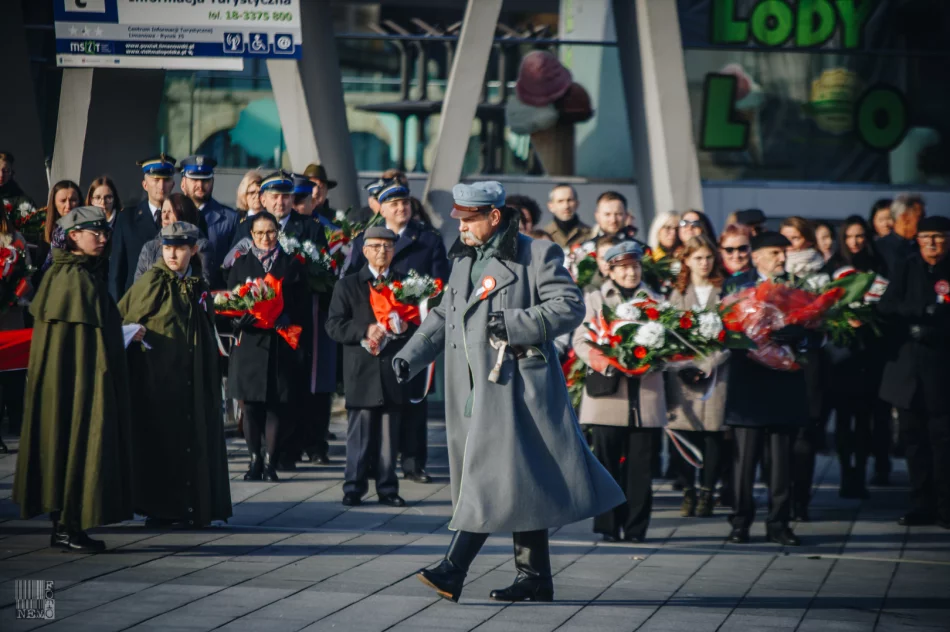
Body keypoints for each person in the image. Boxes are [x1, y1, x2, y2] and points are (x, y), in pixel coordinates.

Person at [393, 181, 623, 603]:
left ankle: (452, 569)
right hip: (473, 392)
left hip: (518, 391)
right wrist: (411, 355)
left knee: (489, 478)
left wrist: (515, 323)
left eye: (468, 219)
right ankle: (534, 577)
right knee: (522, 483)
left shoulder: (537, 253)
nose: (459, 227)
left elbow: (569, 306)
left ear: (494, 217)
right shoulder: (464, 259)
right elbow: (445, 313)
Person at [13, 206, 133, 552]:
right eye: (93, 232)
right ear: (73, 237)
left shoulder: (84, 273)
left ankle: (67, 524)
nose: (102, 237)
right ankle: (67, 526)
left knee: (72, 445)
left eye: (104, 231)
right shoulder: (71, 278)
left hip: (82, 383)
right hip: (74, 386)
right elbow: (76, 348)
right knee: (71, 443)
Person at [119, 222, 232, 528]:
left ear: (193, 250)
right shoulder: (153, 281)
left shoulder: (197, 284)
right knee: (163, 442)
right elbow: (123, 317)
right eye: (167, 248)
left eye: (180, 248)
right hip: (160, 380)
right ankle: (162, 509)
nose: (172, 254)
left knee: (195, 439)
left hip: (193, 378)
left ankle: (196, 504)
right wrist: (133, 331)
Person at [344, 179, 449, 483]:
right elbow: (354, 280)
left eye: (404, 202)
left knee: (414, 397)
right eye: (393, 204)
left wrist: (420, 303)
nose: (401, 208)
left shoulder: (427, 239)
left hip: (413, 328)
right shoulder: (366, 238)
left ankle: (414, 462)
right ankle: (377, 463)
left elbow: (440, 282)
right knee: (379, 398)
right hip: (376, 330)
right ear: (381, 208)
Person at [572, 241, 667, 542]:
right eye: (623, 267)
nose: (630, 272)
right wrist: (606, 361)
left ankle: (637, 528)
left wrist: (656, 356)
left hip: (646, 396)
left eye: (635, 266)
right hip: (608, 394)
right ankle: (608, 526)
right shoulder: (596, 299)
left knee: (641, 468)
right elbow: (580, 341)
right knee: (607, 464)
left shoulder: (657, 301)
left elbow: (673, 342)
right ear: (610, 269)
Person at [724, 231, 810, 546]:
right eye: (774, 253)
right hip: (749, 383)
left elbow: (819, 328)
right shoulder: (736, 285)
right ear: (757, 256)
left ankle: (779, 522)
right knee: (744, 461)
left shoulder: (799, 286)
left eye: (783, 253)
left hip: (784, 382)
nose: (781, 258)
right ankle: (740, 521)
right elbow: (722, 328)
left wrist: (800, 335)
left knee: (781, 461)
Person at [326, 226, 415, 507]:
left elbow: (417, 325)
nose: (382, 251)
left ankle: (388, 488)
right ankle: (353, 486)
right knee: (360, 435)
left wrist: (404, 327)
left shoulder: (406, 284)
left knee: (390, 437)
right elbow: (334, 325)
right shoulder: (348, 284)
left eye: (388, 246)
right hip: (361, 369)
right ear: (364, 251)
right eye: (376, 246)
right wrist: (365, 330)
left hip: (391, 370)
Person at [878, 215, 950, 529]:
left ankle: (946, 507)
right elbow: (886, 306)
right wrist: (918, 315)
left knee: (943, 441)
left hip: (942, 370)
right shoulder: (907, 266)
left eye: (938, 237)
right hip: (908, 370)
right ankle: (921, 503)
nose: (932, 243)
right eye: (925, 237)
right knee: (913, 440)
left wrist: (939, 325)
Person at [227, 211, 310, 483]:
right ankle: (253, 461)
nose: (266, 237)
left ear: (278, 233)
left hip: (280, 341)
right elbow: (230, 299)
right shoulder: (240, 265)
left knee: (276, 405)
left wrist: (286, 315)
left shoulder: (291, 264)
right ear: (251, 235)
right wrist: (241, 316)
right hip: (250, 342)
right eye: (260, 232)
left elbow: (303, 303)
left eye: (271, 232)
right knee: (250, 406)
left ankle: (271, 461)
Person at [666, 235, 730, 518]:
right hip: (683, 373)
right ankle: (688, 491)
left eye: (708, 257)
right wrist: (684, 366)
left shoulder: (724, 291)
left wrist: (709, 363)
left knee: (712, 433)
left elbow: (732, 332)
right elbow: (668, 335)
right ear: (687, 261)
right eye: (697, 258)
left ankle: (707, 491)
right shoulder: (678, 294)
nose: (704, 263)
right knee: (683, 432)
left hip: (715, 373)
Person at [824, 215, 887, 498]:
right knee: (843, 419)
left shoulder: (877, 266)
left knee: (865, 418)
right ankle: (845, 472)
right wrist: (842, 320)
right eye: (850, 236)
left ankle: (860, 472)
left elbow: (886, 301)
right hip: (840, 355)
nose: (855, 241)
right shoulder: (834, 267)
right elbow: (823, 307)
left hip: (869, 353)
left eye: (860, 235)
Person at [778, 216, 827, 520]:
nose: (788, 247)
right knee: (781, 435)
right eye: (784, 240)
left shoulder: (820, 277)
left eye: (794, 239)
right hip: (779, 361)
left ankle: (801, 500)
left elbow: (829, 318)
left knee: (805, 434)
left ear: (807, 240)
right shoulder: (776, 277)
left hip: (810, 360)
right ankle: (781, 498)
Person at [110, 153, 176, 298]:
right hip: (136, 303)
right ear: (145, 184)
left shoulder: (183, 218)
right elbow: (116, 271)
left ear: (173, 184)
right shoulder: (127, 218)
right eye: (156, 180)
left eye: (166, 180)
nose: (161, 186)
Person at [178, 155, 238, 288]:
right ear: (183, 183)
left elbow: (235, 266)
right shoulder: (172, 214)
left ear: (212, 182)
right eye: (194, 179)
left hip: (217, 296)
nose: (200, 185)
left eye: (205, 180)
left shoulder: (230, 218)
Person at [0, 203, 32, 445]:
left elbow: (27, 274)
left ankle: (17, 418)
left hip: (11, 313)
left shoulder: (15, 240)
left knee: (14, 371)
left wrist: (14, 295)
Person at [134, 193, 214, 287]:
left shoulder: (201, 246)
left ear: (183, 213)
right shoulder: (150, 248)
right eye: (163, 212)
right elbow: (138, 287)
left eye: (170, 212)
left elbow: (203, 285)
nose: (165, 217)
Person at [230, 170, 325, 247]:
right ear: (263, 200)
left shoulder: (311, 229)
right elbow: (232, 266)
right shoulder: (246, 228)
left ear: (292, 198)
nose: (280, 202)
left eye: (285, 196)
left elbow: (324, 268)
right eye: (274, 197)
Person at [876, 193, 925, 275]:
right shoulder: (879, 247)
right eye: (920, 217)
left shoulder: (921, 246)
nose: (924, 222)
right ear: (904, 217)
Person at [38, 180, 82, 270]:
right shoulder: (47, 231)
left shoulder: (86, 230)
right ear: (54, 203)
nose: (68, 205)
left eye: (73, 200)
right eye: (63, 201)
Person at [542, 183, 593, 249]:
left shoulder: (590, 234)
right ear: (551, 206)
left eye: (569, 200)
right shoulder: (543, 235)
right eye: (560, 201)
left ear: (577, 203)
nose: (566, 206)